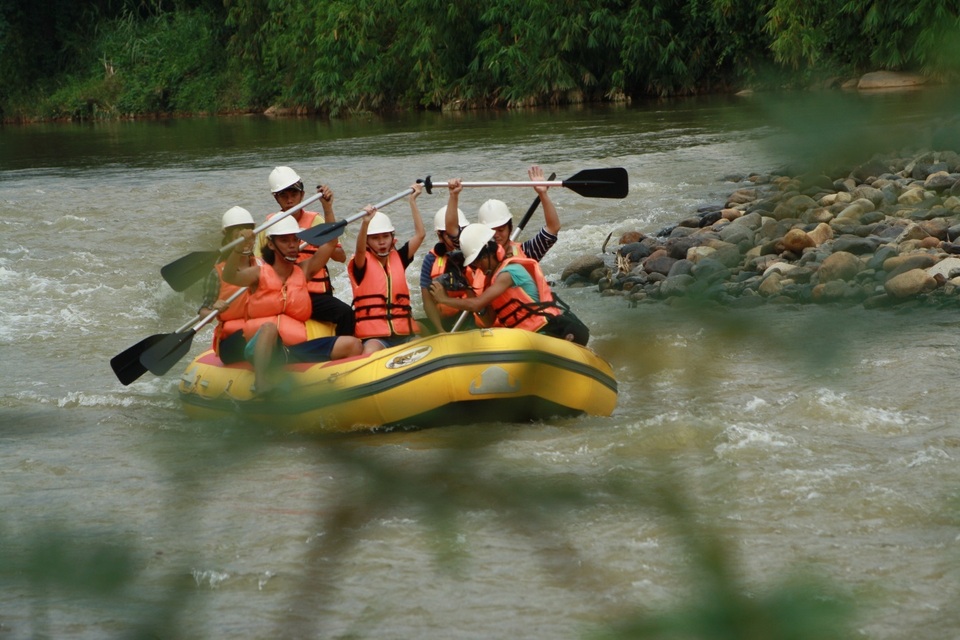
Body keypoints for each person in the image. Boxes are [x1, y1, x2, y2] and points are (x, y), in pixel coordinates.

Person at [223, 216, 363, 395]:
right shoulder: (258, 274)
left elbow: (330, 244)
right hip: (262, 347)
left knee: (352, 345)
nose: (292, 245)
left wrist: (327, 206)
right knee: (269, 328)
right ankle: (261, 383)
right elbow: (230, 277)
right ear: (271, 245)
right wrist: (237, 249)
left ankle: (345, 387)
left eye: (295, 240)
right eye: (284, 240)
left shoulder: (303, 271)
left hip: (292, 350)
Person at [429, 224, 590, 346]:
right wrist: (468, 289)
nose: (478, 265)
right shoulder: (490, 280)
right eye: (474, 262)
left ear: (491, 253)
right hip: (521, 337)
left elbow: (478, 303)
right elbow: (488, 320)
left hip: (543, 330)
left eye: (479, 259)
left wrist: (444, 299)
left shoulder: (508, 272)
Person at [257, 166, 355, 337]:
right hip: (283, 292)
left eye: (294, 195)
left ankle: (345, 351)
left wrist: (326, 212)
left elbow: (339, 255)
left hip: (314, 293)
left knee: (345, 313)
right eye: (284, 196)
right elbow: (258, 265)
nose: (290, 200)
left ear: (302, 195)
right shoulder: (268, 228)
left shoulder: (315, 221)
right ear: (276, 198)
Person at [348, 183, 426, 355]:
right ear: (368, 242)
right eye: (375, 238)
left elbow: (420, 235)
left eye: (385, 237)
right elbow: (359, 249)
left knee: (424, 347)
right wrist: (365, 224)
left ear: (393, 238)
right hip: (376, 337)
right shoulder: (361, 262)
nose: (382, 242)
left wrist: (412, 201)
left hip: (404, 334)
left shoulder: (399, 258)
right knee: (369, 353)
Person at [445, 165, 560, 262]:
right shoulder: (474, 254)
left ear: (510, 228)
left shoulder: (527, 252)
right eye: (491, 231)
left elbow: (553, 228)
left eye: (501, 230)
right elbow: (452, 230)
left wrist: (542, 193)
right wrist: (453, 196)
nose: (496, 235)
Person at [197, 206, 257, 364]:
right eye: (239, 235)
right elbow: (203, 312)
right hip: (232, 341)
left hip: (260, 330)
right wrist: (213, 309)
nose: (245, 241)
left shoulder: (264, 266)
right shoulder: (216, 273)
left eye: (249, 235)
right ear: (229, 239)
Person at [418, 204, 473, 334]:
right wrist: (440, 330)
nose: (457, 238)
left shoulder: (473, 254)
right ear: (440, 235)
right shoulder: (430, 260)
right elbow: (427, 301)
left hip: (471, 315)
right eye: (450, 235)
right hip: (445, 320)